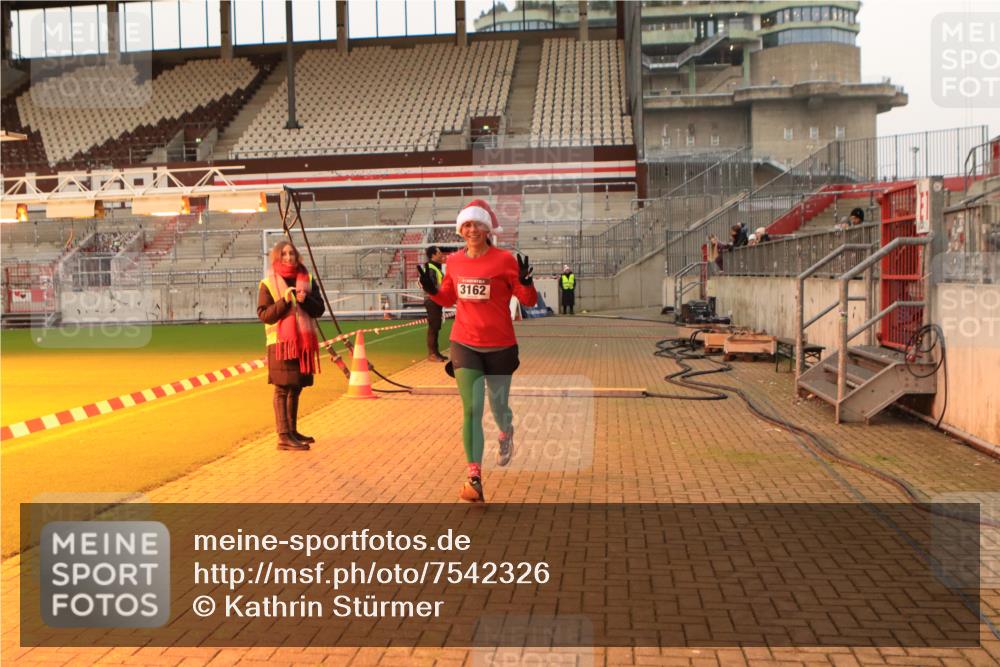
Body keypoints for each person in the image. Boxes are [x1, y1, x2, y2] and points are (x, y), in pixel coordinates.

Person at [417, 199, 537, 503]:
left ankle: (506, 432)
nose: (472, 230)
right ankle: (474, 477)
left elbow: (529, 300)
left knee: (499, 409)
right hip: (465, 343)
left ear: (487, 229)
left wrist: (525, 283)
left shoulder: (505, 260)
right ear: (460, 230)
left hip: (500, 345)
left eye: (477, 224)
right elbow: (447, 298)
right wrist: (432, 290)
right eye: (467, 225)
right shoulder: (454, 262)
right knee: (471, 409)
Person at [257, 240, 325, 451]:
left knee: (296, 386)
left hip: (302, 344)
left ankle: (292, 431)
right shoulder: (268, 283)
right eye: (284, 254)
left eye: (291, 253)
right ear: (277, 257)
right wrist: (285, 301)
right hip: (281, 344)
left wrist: (305, 300)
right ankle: (283, 435)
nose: (288, 257)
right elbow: (265, 315)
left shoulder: (308, 279)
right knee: (282, 389)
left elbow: (319, 309)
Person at [423, 245, 448, 362]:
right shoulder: (430, 268)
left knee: (436, 326)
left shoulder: (435, 267)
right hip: (432, 300)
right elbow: (432, 286)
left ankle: (436, 353)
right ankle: (432, 354)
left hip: (436, 300)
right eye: (439, 252)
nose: (441, 254)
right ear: (433, 255)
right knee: (433, 327)